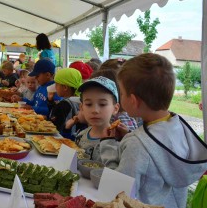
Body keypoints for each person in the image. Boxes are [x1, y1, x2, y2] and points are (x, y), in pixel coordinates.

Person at [100, 53, 207, 207]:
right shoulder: (179, 127)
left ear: (133, 100)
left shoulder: (137, 144)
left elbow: (117, 190)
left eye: (121, 93)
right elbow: (159, 151)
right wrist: (131, 136)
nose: (120, 97)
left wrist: (107, 144)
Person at [75, 76, 122, 161]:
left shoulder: (119, 142)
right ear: (82, 108)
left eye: (102, 104)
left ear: (115, 108)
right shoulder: (80, 136)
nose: (95, 111)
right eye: (89, 104)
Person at [47, 68, 82, 139]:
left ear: (65, 87)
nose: (55, 87)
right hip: (73, 139)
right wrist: (51, 102)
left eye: (56, 84)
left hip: (59, 139)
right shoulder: (79, 100)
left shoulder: (64, 104)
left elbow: (53, 124)